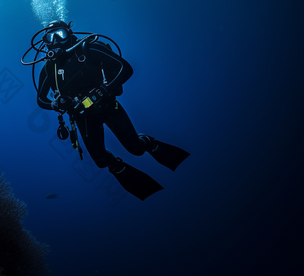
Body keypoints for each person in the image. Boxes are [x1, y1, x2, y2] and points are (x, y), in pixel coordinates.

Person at [22, 20, 189, 200]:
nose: (56, 40)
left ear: (69, 33)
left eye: (60, 34)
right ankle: (119, 168)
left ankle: (148, 143)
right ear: (45, 41)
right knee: (101, 162)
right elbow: (41, 99)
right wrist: (56, 104)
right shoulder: (49, 68)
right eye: (50, 36)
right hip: (82, 117)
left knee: (136, 149)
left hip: (108, 106)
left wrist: (103, 90)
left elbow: (126, 68)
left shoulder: (87, 49)